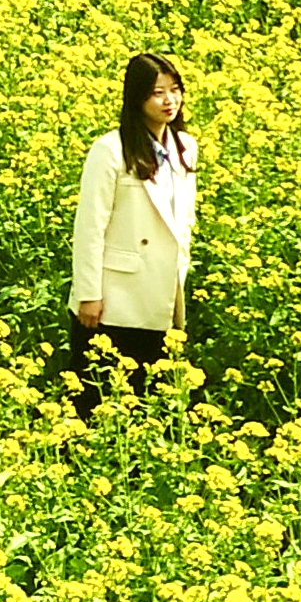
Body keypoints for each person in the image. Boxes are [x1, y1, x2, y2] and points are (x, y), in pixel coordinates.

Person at [67, 53, 197, 414]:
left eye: (175, 90)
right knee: (99, 400)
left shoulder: (185, 148)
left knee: (149, 402)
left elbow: (182, 221)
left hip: (162, 293)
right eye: (158, 92)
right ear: (137, 97)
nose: (169, 100)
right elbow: (90, 227)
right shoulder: (110, 150)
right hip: (114, 298)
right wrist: (89, 294)